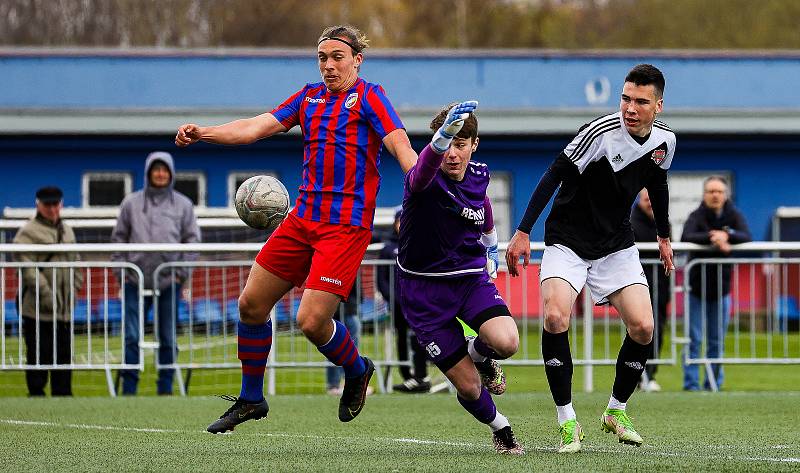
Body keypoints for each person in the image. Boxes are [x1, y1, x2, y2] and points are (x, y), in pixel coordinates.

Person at [175, 25, 418, 432]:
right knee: (251, 305)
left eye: (337, 57)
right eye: (322, 57)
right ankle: (252, 397)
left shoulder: (371, 97)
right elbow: (256, 126)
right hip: (301, 220)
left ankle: (357, 369)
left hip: (344, 229)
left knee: (310, 321)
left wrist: (420, 180)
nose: (328, 65)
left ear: (357, 60)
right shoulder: (309, 97)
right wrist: (205, 132)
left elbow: (400, 143)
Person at [505, 64, 676, 453]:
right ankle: (567, 421)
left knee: (644, 327)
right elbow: (552, 175)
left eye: (640, 101)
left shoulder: (665, 142)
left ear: (658, 106)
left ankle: (616, 411)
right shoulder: (599, 133)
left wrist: (664, 236)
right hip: (567, 241)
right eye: (625, 98)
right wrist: (523, 231)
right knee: (554, 316)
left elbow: (658, 183)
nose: (630, 108)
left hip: (616, 245)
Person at [397, 101, 524, 455]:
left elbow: (482, 206)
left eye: (461, 144)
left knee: (507, 341)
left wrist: (491, 246)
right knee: (468, 388)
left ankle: (480, 355)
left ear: (474, 144)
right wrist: (442, 138)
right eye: (447, 143)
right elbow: (421, 171)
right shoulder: (423, 178)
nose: (453, 153)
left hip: (468, 279)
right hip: (422, 291)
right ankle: (501, 427)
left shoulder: (480, 173)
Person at [111, 151, 201, 395]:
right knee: (131, 336)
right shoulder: (131, 203)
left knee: (168, 337)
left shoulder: (183, 204)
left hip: (168, 281)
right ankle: (128, 390)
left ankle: (165, 388)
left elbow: (192, 243)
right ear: (149, 172)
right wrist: (123, 274)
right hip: (134, 280)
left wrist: (179, 274)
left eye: (164, 170)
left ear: (170, 173)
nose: (160, 174)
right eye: (156, 169)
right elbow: (118, 241)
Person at [680, 175, 751, 391]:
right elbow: (686, 236)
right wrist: (713, 237)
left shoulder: (734, 214)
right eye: (711, 191)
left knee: (716, 340)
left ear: (725, 194)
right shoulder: (696, 215)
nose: (715, 195)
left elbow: (747, 236)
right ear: (704, 194)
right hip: (696, 287)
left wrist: (727, 235)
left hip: (722, 288)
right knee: (694, 339)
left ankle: (713, 384)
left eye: (719, 191)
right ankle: (691, 385)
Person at [14, 186, 83, 396]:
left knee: (63, 353)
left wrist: (75, 289)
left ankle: (63, 395)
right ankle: (36, 394)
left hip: (63, 307)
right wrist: (45, 294)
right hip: (36, 307)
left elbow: (76, 262)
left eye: (56, 204)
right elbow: (27, 267)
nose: (52, 209)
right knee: (39, 352)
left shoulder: (67, 230)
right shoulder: (28, 232)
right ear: (39, 205)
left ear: (61, 204)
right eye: (48, 205)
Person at [378, 207, 430, 393]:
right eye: (399, 221)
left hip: (417, 304)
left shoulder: (417, 245)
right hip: (398, 305)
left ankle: (421, 375)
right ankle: (406, 375)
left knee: (420, 337)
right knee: (401, 338)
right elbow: (381, 279)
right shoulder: (387, 249)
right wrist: (393, 299)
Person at [630, 188, 671, 392]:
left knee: (657, 329)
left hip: (660, 286)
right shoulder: (630, 221)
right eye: (647, 199)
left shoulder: (663, 223)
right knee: (639, 329)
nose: (650, 203)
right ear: (639, 200)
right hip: (637, 285)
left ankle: (650, 373)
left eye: (652, 199)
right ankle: (636, 376)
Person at [325, 283, 367, 396]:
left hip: (347, 306)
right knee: (337, 346)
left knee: (337, 345)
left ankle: (341, 383)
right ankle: (339, 384)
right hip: (342, 307)